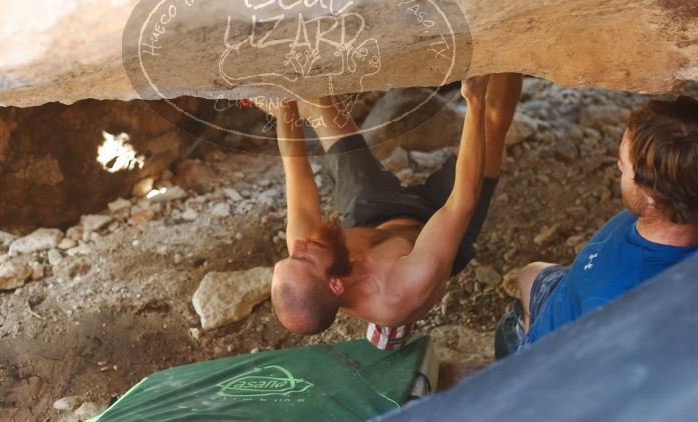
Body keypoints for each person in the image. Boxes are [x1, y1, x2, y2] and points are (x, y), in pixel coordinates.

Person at [267, 73, 523, 342]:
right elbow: (460, 203)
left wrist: (285, 98)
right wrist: (474, 101)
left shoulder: (306, 260)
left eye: (288, 257)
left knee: (324, 107)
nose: (297, 246)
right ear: (335, 284)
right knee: (492, 118)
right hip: (435, 226)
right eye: (302, 258)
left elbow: (295, 171)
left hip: (373, 217)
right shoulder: (402, 288)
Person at [495, 96, 698, 358]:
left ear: (651, 195)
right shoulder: (676, 207)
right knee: (529, 274)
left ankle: (525, 349)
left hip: (560, 352)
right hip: (573, 292)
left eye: (625, 165)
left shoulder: (610, 302)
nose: (619, 165)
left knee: (514, 330)